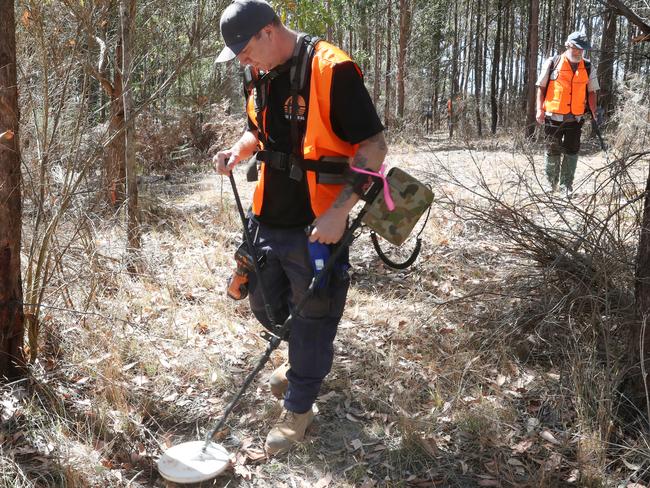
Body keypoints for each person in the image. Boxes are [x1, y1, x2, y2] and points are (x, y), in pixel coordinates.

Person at [213, 0, 387, 455]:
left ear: (269, 31)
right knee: (265, 303)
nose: (244, 63)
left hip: (318, 224)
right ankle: (298, 364)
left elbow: (373, 145)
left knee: (313, 315)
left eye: (246, 52)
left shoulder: (334, 70)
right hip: (267, 214)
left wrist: (340, 212)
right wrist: (238, 151)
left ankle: (300, 406)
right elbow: (258, 131)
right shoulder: (262, 74)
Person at [536, 31, 599, 196]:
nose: (579, 51)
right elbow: (541, 88)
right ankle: (551, 185)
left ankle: (566, 186)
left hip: (576, 118)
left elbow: (592, 92)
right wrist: (539, 110)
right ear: (568, 45)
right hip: (552, 116)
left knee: (572, 151)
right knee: (552, 149)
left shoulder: (588, 66)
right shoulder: (552, 62)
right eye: (576, 47)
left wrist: (594, 111)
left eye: (582, 49)